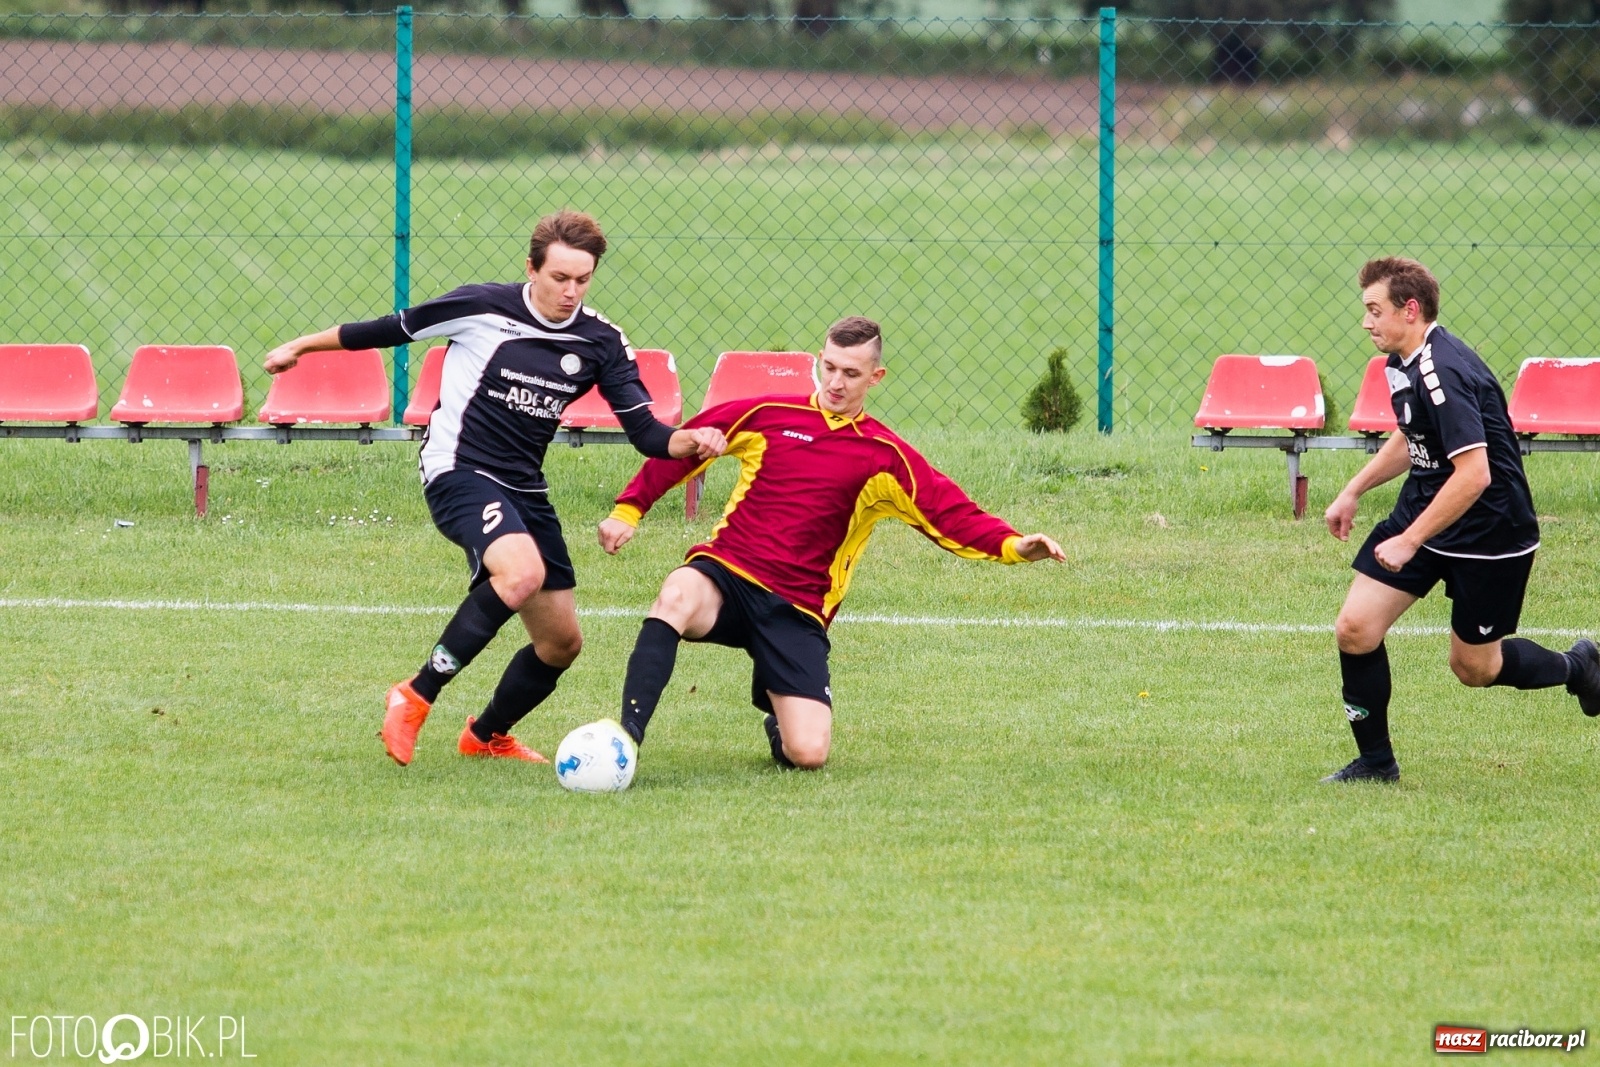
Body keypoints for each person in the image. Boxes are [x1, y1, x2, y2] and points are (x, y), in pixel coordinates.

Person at [263, 210, 725, 767]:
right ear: (531, 268)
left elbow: (648, 433)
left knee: (561, 644)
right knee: (520, 572)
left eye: (583, 279)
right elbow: (387, 329)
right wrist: (301, 346)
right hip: (458, 468)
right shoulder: (482, 306)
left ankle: (485, 735)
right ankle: (415, 695)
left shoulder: (602, 341)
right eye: (559, 278)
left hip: (524, 487)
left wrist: (688, 440)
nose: (571, 291)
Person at [590, 315, 1066, 771]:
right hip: (727, 578)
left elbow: (950, 513)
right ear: (820, 359)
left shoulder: (885, 456)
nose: (836, 382)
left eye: (851, 373)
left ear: (875, 376)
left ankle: (779, 703)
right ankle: (627, 738)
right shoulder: (768, 414)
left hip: (796, 608)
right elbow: (686, 444)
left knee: (808, 754)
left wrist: (1014, 546)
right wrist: (629, 509)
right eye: (830, 367)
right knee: (675, 593)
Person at [1321, 257, 1600, 783]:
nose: (1366, 322)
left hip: (1489, 529)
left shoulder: (1443, 368)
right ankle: (1377, 764)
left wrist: (1409, 540)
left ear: (1410, 309)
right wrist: (1354, 489)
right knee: (1355, 629)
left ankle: (1579, 666)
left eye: (1374, 310)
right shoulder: (1402, 360)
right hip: (1427, 506)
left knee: (1475, 669)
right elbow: (1414, 436)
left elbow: (1474, 475)